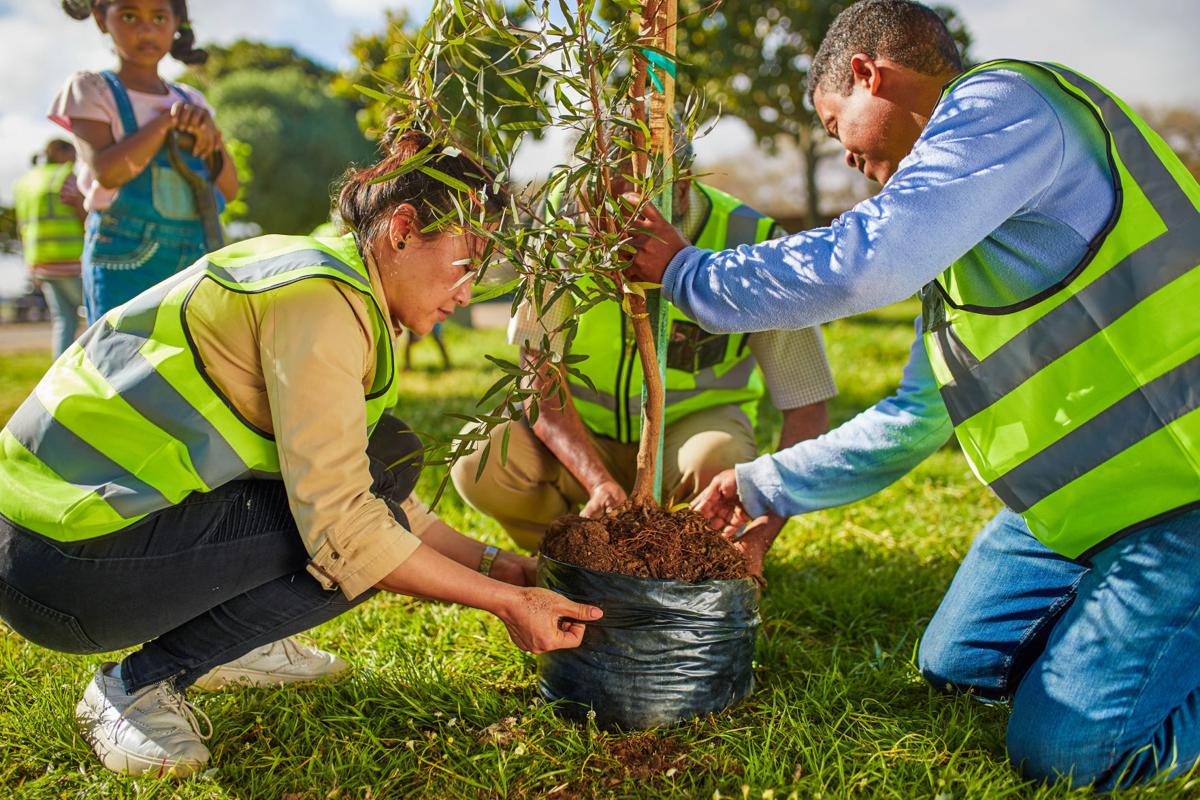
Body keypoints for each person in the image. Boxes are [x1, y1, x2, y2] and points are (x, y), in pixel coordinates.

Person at [626, 0, 1200, 789]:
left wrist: (689, 274)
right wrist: (759, 482)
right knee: (954, 665)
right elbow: (908, 421)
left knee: (1069, 755)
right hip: (1077, 511)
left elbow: (866, 261)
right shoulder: (964, 250)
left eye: (836, 128)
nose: (847, 159)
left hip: (1184, 496)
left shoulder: (1007, 106)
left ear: (866, 74)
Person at [0, 128, 601, 777]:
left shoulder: (314, 270)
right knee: (360, 524)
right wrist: (505, 604)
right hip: (65, 567)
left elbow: (360, 486)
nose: (468, 293)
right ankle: (134, 686)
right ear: (402, 229)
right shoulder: (319, 301)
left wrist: (498, 566)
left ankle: (232, 643)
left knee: (387, 457)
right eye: (467, 263)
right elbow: (350, 525)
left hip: (48, 539)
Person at [452, 169, 837, 571]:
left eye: (630, 215)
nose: (607, 234)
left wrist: (761, 533)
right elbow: (539, 379)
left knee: (718, 459)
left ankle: (693, 563)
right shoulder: (559, 228)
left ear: (683, 188)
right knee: (479, 461)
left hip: (687, 439)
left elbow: (806, 404)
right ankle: (579, 557)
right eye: (599, 209)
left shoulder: (750, 240)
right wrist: (597, 481)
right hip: (582, 437)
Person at [53, 0, 239, 322]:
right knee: (124, 358)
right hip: (122, 257)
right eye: (129, 16)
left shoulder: (191, 101)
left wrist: (212, 140)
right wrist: (165, 124)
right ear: (101, 19)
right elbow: (109, 173)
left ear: (176, 23)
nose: (146, 28)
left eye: (159, 17)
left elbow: (229, 189)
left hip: (195, 253)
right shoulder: (91, 90)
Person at [12, 139, 86, 356]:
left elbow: (21, 226)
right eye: (73, 154)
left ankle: (58, 374)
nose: (75, 160)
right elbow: (85, 215)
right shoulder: (65, 178)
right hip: (72, 260)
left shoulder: (26, 183)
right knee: (97, 316)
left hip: (41, 262)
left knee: (64, 319)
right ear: (60, 152)